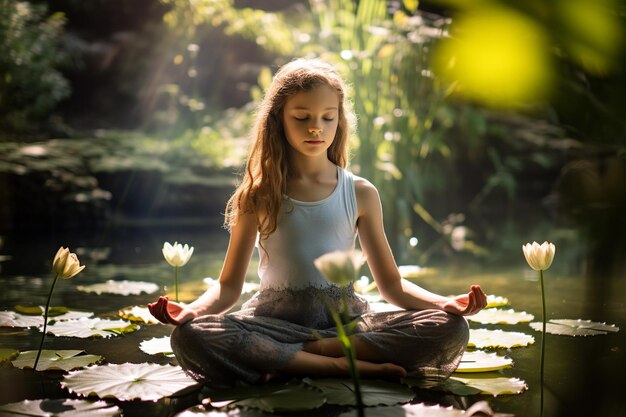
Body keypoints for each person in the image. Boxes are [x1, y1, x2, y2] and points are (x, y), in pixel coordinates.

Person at [148, 58, 488, 387]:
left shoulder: (361, 193)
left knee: (450, 327)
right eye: (302, 117)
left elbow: (392, 285)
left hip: (348, 328)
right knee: (190, 336)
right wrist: (191, 311)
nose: (316, 128)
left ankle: (289, 361)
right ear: (278, 119)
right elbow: (228, 287)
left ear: (339, 120)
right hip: (273, 325)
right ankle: (341, 367)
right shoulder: (257, 195)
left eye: (328, 117)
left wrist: (442, 303)